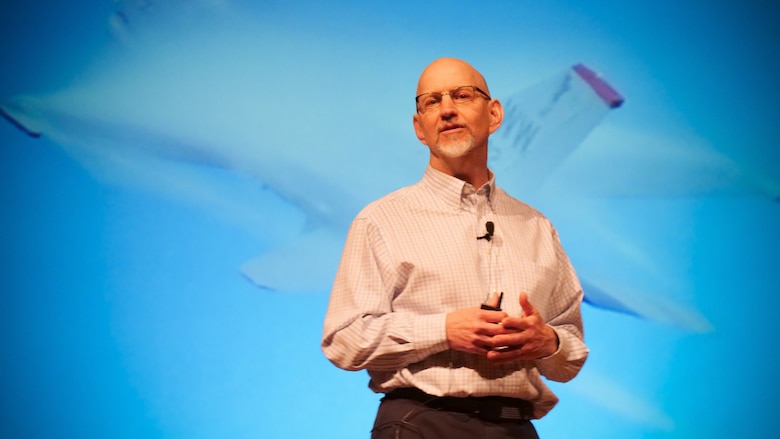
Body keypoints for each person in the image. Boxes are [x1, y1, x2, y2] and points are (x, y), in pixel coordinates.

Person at [321, 58, 588, 439]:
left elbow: (570, 354)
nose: (447, 110)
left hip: (516, 427)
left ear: (494, 114)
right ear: (420, 128)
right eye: (432, 102)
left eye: (462, 96)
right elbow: (344, 340)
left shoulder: (537, 227)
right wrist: (444, 330)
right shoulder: (382, 220)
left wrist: (547, 342)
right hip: (422, 422)